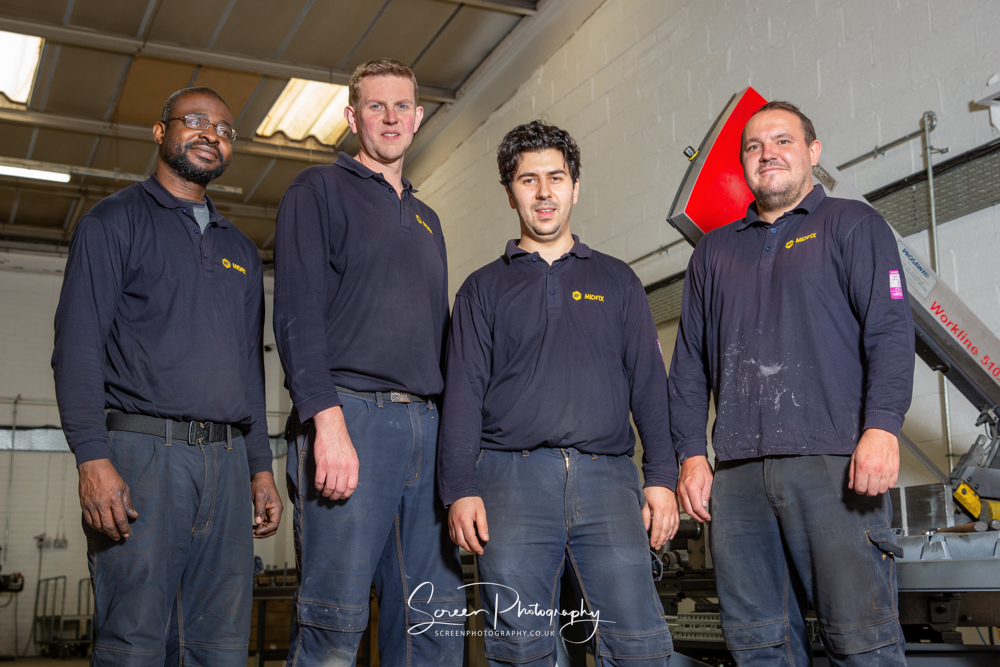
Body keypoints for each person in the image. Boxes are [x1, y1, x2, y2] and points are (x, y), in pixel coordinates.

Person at [669, 101, 914, 666]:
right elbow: (688, 367)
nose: (768, 154)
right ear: (745, 165)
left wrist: (882, 428)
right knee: (758, 645)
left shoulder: (854, 225)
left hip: (833, 469)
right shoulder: (715, 251)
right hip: (738, 479)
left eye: (782, 141)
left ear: (813, 153)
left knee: (861, 640)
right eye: (754, 147)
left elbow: (891, 333)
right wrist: (691, 455)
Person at [52, 86, 282, 666]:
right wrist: (92, 458)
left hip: (227, 463)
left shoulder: (242, 251)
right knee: (134, 639)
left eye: (225, 130)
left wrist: (260, 467)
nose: (211, 135)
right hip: (142, 455)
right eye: (196, 121)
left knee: (220, 643)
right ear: (161, 132)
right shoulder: (112, 223)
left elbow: (247, 369)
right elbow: (76, 350)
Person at [439, 120, 679, 666]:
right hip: (510, 483)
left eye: (556, 178)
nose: (544, 193)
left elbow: (649, 386)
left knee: (638, 643)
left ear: (576, 186)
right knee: (521, 647)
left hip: (608, 481)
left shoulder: (618, 281)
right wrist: (459, 489)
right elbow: (462, 398)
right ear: (509, 193)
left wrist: (661, 479)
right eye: (528, 181)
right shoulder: (481, 290)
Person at [272, 58, 464, 666]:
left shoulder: (428, 219)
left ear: (419, 117)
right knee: (335, 620)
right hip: (350, 419)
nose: (390, 118)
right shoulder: (317, 191)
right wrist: (326, 425)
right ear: (353, 117)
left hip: (426, 429)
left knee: (433, 619)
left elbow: (441, 342)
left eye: (401, 106)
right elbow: (297, 315)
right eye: (375, 106)